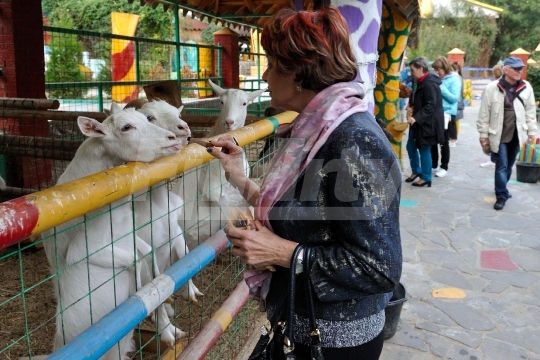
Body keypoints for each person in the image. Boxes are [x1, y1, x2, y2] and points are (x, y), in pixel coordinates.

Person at [206, 7, 402, 360]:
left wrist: (279, 252)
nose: (264, 76)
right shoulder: (314, 131)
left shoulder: (353, 140)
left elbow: (379, 268)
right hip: (302, 327)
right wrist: (240, 177)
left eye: (269, 64)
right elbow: (311, 213)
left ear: (297, 72)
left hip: (335, 342)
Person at [477, 57, 537, 210]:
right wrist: (483, 134)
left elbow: (530, 112)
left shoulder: (526, 87)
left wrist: (532, 132)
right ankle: (501, 195)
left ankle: (502, 187)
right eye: (516, 69)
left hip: (518, 133)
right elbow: (484, 114)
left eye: (521, 69)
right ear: (506, 70)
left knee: (509, 165)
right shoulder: (492, 87)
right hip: (499, 134)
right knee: (502, 165)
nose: (520, 71)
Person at [405, 57, 445, 187]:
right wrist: (411, 105)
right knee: (410, 146)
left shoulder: (429, 83)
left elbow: (430, 106)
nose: (411, 73)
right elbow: (417, 97)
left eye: (412, 70)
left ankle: (426, 177)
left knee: (424, 149)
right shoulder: (419, 81)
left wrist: (416, 118)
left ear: (421, 69)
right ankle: (416, 171)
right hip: (417, 121)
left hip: (426, 123)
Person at [430, 56, 461, 177]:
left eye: (439, 69)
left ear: (445, 67)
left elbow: (453, 98)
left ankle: (444, 166)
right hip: (435, 113)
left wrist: (441, 88)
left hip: (447, 114)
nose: (437, 72)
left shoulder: (454, 79)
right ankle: (434, 164)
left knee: (443, 142)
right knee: (432, 140)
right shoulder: (437, 78)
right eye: (435, 70)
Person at [451, 61, 465, 146]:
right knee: (456, 120)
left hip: (456, 101)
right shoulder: (460, 77)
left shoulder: (455, 77)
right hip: (459, 100)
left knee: (453, 120)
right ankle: (455, 137)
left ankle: (454, 137)